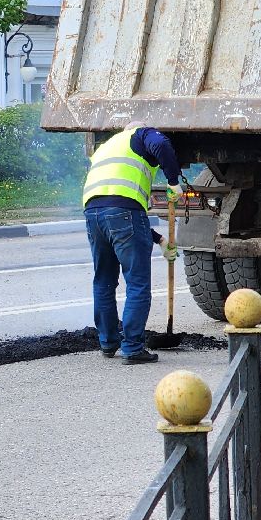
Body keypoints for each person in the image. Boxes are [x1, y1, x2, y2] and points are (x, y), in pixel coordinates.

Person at [83, 124, 182, 364]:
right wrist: (173, 181)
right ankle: (133, 348)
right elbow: (160, 144)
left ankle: (108, 343)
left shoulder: (107, 146)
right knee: (137, 284)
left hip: (93, 213)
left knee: (103, 281)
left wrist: (160, 240)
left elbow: (114, 213)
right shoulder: (141, 134)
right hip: (125, 211)